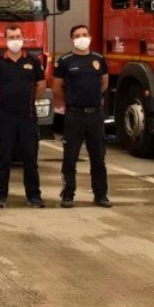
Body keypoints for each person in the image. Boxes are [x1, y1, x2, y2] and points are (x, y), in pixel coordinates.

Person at [0, 25, 46, 208]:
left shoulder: (32, 61)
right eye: (11, 37)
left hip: (28, 117)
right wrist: (0, 101)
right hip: (4, 118)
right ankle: (1, 196)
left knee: (30, 159)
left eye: (18, 36)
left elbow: (41, 84)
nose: (15, 40)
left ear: (22, 38)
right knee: (3, 159)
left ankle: (34, 196)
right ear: (5, 39)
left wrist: (30, 98)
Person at [53, 24, 112, 209]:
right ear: (72, 39)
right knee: (70, 158)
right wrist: (71, 102)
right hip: (74, 115)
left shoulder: (99, 59)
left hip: (95, 115)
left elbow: (104, 83)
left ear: (90, 37)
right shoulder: (65, 61)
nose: (81, 38)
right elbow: (56, 87)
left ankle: (101, 195)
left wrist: (92, 99)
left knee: (98, 158)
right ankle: (68, 194)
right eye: (77, 35)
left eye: (85, 34)